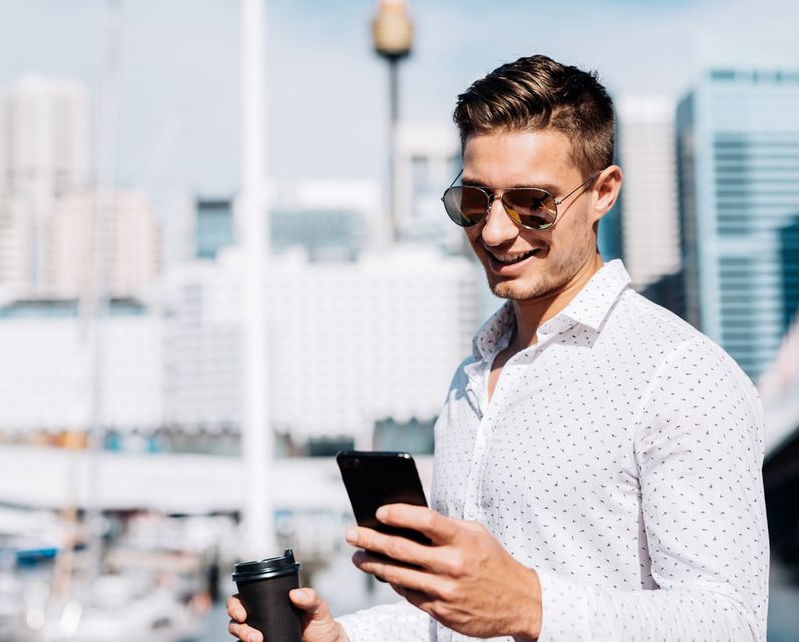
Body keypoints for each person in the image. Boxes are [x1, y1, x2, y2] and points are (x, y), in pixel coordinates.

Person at [228, 55, 768, 641]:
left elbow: (729, 623)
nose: (494, 232)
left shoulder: (681, 374)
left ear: (603, 192)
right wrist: (346, 638)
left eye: (532, 203)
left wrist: (531, 606)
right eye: (475, 202)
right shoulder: (472, 376)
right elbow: (458, 618)